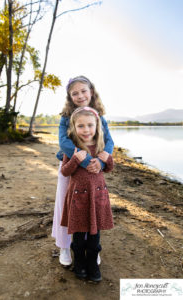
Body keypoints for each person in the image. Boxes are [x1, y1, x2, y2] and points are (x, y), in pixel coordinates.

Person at [51, 75, 114, 266]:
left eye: (83, 91)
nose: (80, 96)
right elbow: (64, 142)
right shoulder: (65, 117)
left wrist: (101, 163)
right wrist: (86, 160)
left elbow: (109, 141)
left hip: (94, 166)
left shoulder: (99, 116)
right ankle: (64, 246)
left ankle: (90, 248)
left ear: (91, 92)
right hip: (72, 165)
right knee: (66, 205)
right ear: (70, 97)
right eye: (74, 93)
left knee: (89, 206)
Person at [60, 107, 114, 282]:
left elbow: (109, 169)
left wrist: (107, 158)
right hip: (78, 200)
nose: (86, 130)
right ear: (74, 128)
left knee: (94, 237)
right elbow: (65, 172)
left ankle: (92, 264)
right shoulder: (73, 150)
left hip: (97, 199)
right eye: (81, 126)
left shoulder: (100, 147)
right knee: (78, 237)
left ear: (96, 126)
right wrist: (75, 159)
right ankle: (80, 264)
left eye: (90, 125)